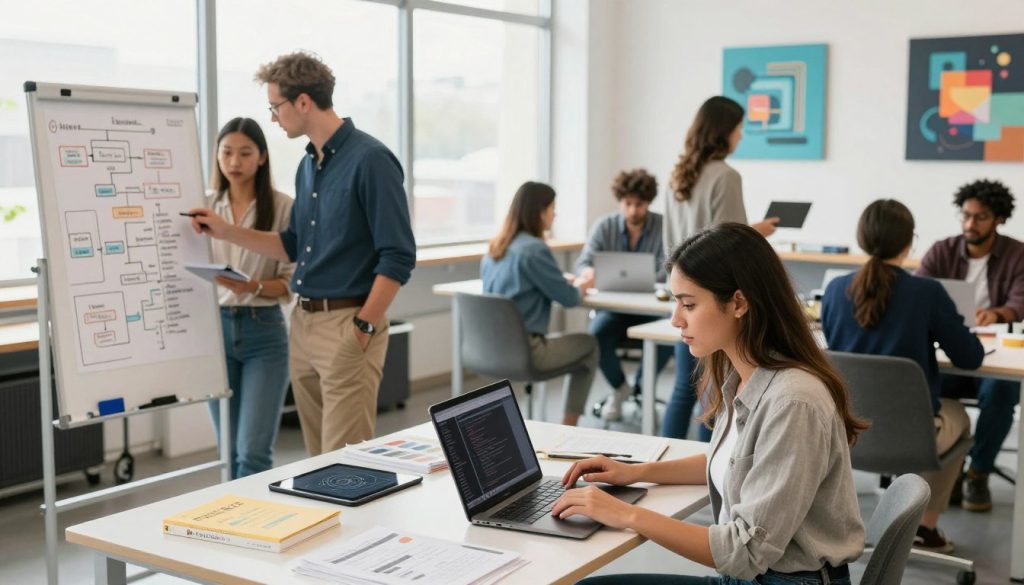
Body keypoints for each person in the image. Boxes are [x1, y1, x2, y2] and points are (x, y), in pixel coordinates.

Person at [557, 223, 866, 585]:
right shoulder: (745, 375)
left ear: (738, 302)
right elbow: (733, 461)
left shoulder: (793, 401)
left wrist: (624, 513)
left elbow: (746, 551)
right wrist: (635, 472)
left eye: (688, 304)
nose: (676, 319)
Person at [190, 51, 416, 456]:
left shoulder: (371, 160)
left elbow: (398, 256)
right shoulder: (308, 165)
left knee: (347, 461)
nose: (274, 118)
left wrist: (363, 327)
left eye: (276, 107)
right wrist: (226, 231)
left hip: (348, 323)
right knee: (319, 462)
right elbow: (291, 244)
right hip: (304, 323)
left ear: (304, 102)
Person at [822, 199, 984, 553]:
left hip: (846, 432)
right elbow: (970, 358)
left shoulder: (835, 291)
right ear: (909, 242)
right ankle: (925, 528)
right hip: (913, 438)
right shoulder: (926, 293)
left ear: (862, 238)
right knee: (960, 417)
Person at [661, 96, 780, 441]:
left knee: (685, 389)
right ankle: (712, 472)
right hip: (713, 293)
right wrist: (759, 230)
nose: (741, 136)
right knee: (713, 393)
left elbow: (677, 243)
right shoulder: (726, 176)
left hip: (684, 291)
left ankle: (671, 457)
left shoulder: (677, 177)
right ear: (723, 131)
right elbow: (732, 245)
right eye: (739, 128)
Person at [916, 179, 1024, 512]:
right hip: (950, 350)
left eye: (979, 217)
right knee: (923, 380)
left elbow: (1021, 302)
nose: (969, 224)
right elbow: (917, 294)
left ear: (998, 219)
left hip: (993, 352)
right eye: (965, 215)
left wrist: (996, 313)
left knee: (1001, 392)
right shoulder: (941, 250)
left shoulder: (1017, 254)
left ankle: (978, 472)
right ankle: (945, 469)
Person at [206, 117, 294, 478]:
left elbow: (290, 284)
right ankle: (227, 526)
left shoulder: (283, 207)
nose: (234, 162)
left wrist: (253, 286)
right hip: (215, 332)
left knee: (253, 452)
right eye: (226, 152)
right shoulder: (205, 206)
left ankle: (253, 526)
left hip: (265, 332)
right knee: (227, 452)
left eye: (245, 153)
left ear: (261, 158)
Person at [481, 181, 599, 426]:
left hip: (487, 350)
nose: (554, 214)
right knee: (589, 346)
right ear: (539, 212)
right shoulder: (535, 249)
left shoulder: (494, 249)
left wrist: (559, 280)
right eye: (552, 208)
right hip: (526, 352)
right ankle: (569, 427)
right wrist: (584, 285)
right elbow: (568, 299)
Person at [574, 168, 673, 422]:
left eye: (639, 204)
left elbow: (673, 269)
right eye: (627, 203)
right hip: (614, 311)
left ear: (648, 203)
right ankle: (621, 388)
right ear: (620, 200)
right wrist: (588, 272)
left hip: (650, 312)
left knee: (666, 337)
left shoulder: (663, 227)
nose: (632, 210)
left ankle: (641, 389)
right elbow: (583, 263)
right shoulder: (604, 226)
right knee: (595, 335)